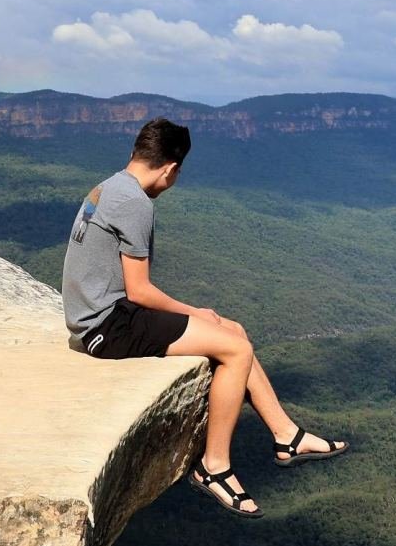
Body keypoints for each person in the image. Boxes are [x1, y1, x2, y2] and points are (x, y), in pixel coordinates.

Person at [62, 116, 348, 518]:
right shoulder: (135, 204)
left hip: (94, 316)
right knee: (233, 349)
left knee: (234, 332)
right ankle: (214, 467)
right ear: (172, 169)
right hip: (108, 327)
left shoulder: (109, 186)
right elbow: (139, 290)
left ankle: (287, 435)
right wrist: (196, 312)